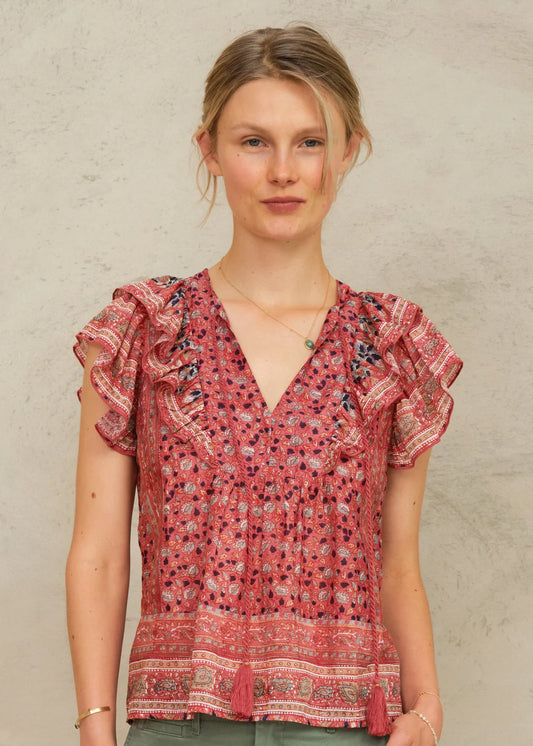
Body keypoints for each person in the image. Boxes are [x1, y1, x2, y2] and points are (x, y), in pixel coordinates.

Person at [66, 25, 462, 746]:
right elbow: (97, 554)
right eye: (254, 142)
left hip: (351, 726)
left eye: (309, 142)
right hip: (179, 726)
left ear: (347, 150)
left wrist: (428, 706)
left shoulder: (390, 348)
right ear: (210, 151)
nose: (283, 170)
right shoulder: (146, 333)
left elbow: (397, 562)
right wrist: (96, 730)